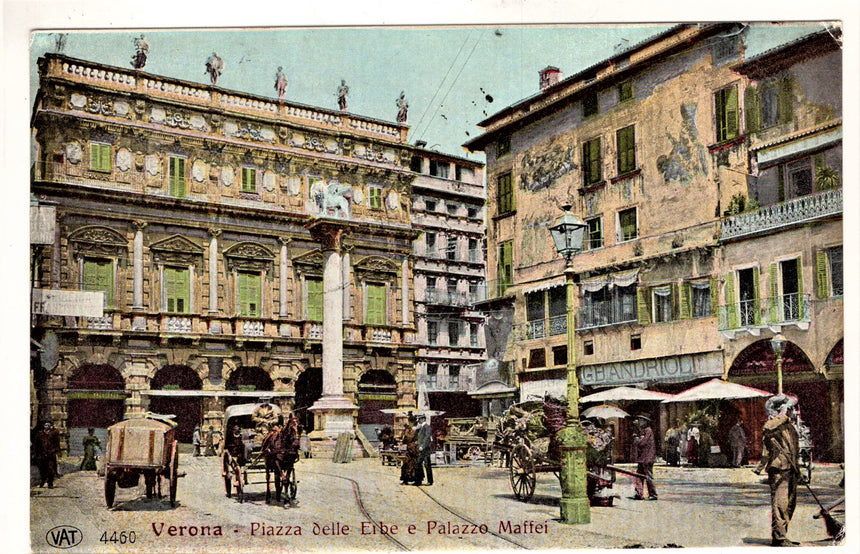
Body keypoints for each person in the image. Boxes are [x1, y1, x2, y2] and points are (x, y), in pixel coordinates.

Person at [753, 394, 801, 547]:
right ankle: (779, 538)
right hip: (779, 470)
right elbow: (767, 429)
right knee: (780, 505)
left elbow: (794, 449)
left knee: (790, 505)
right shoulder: (773, 425)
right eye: (791, 409)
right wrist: (782, 414)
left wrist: (798, 469)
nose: (794, 412)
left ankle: (783, 535)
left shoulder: (789, 427)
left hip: (791, 469)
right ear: (783, 410)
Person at [631, 414, 658, 500]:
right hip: (642, 458)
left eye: (641, 420)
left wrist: (637, 439)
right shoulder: (643, 431)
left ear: (645, 422)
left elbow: (642, 443)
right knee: (639, 475)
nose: (639, 422)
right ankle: (639, 493)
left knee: (648, 476)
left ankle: (653, 494)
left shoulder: (648, 431)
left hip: (647, 458)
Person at [35, 421, 61, 488]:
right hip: (42, 454)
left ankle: (50, 483)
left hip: (51, 454)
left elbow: (57, 443)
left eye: (48, 425)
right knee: (43, 469)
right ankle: (43, 481)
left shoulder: (53, 434)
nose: (47, 426)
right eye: (45, 425)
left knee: (51, 469)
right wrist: (37, 453)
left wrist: (57, 452)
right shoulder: (40, 434)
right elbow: (37, 445)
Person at [414, 414, 433, 486]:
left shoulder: (427, 427)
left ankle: (430, 481)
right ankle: (418, 481)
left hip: (426, 449)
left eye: (419, 419)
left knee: (427, 465)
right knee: (419, 464)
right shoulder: (421, 427)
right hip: (421, 449)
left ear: (423, 419)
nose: (418, 421)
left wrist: (422, 446)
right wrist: (417, 429)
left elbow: (427, 437)